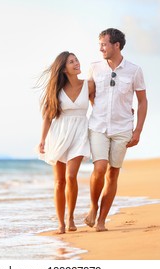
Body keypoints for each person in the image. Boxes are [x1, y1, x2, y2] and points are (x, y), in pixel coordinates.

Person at [84, 28, 148, 232]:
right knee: (100, 168)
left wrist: (137, 130)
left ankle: (102, 220)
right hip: (98, 126)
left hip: (123, 129)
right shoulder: (94, 67)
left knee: (113, 173)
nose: (100, 48)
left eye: (104, 44)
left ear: (116, 45)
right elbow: (90, 94)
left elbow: (142, 101)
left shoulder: (134, 70)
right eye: (100, 44)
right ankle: (93, 207)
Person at [38, 51, 95, 234]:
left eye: (76, 59)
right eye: (71, 62)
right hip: (59, 134)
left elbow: (100, 108)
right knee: (59, 181)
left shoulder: (89, 85)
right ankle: (61, 223)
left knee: (71, 176)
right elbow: (47, 117)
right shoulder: (56, 90)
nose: (77, 63)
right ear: (63, 69)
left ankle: (70, 218)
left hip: (80, 132)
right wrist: (42, 140)